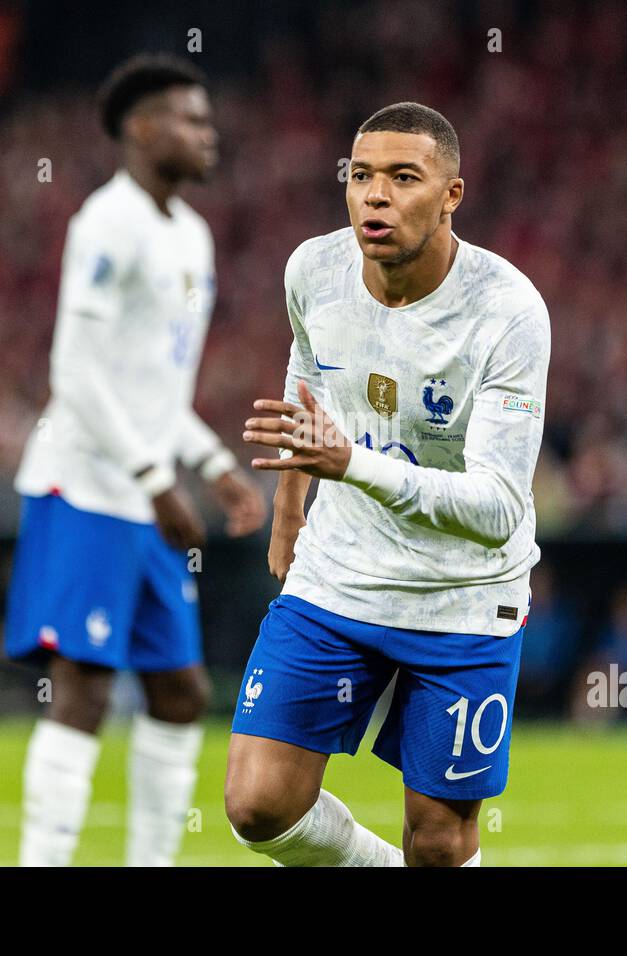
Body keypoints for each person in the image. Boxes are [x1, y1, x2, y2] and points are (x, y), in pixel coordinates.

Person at [224, 102, 550, 867]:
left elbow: (499, 510)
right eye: (361, 175)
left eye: (404, 178)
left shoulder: (508, 313)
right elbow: (309, 366)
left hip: (464, 596)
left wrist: (349, 466)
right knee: (257, 806)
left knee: (437, 843)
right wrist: (289, 503)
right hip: (340, 576)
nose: (375, 195)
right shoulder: (313, 269)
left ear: (451, 195)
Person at [3, 54, 266, 867]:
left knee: (181, 690)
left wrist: (213, 461)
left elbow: (152, 385)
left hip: (143, 491)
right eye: (191, 119)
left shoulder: (192, 235)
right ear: (142, 129)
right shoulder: (105, 223)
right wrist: (158, 480)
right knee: (83, 685)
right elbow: (74, 370)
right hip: (87, 485)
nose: (207, 134)